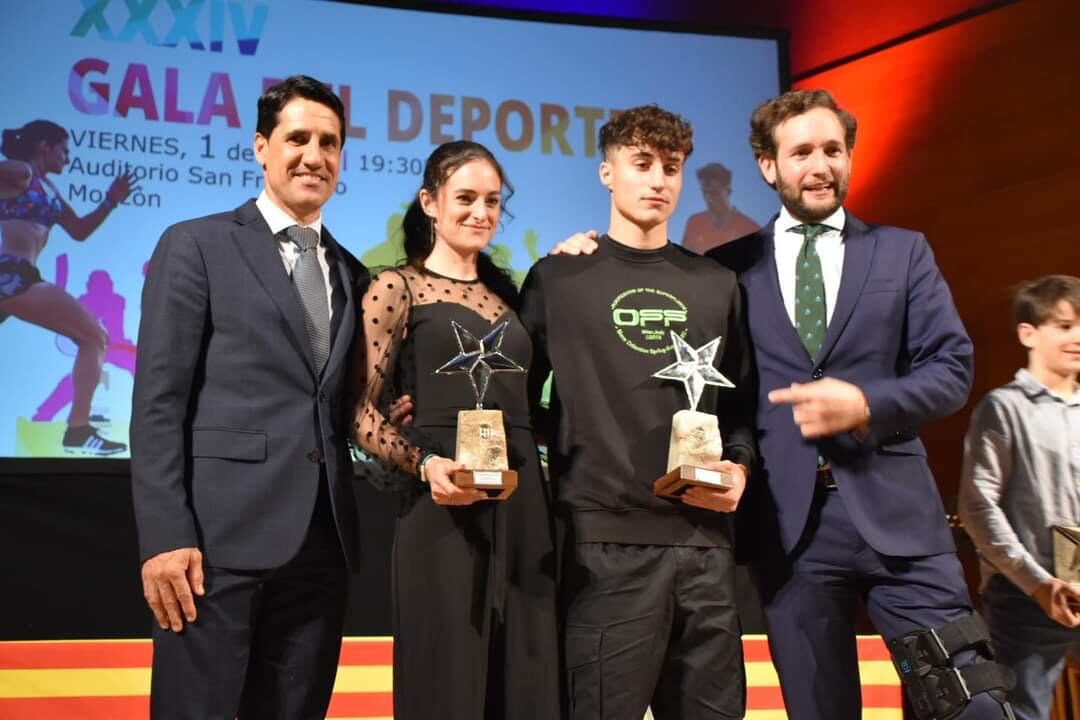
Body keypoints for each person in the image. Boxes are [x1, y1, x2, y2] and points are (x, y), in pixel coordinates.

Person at [703, 89, 1014, 719]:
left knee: (972, 705)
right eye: (801, 152)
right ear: (769, 166)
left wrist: (867, 403)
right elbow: (719, 395)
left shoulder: (903, 252)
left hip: (900, 522)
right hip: (790, 534)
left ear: (849, 157)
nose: (820, 165)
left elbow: (952, 369)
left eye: (833, 150)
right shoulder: (725, 270)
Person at [131, 75, 368, 719]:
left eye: (330, 142)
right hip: (212, 546)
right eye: (297, 138)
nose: (313, 156)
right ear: (262, 147)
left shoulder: (354, 272)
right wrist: (164, 536)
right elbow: (157, 402)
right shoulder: (197, 244)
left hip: (323, 544)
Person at [519, 105, 756, 720]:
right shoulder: (557, 279)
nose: (657, 180)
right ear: (607, 172)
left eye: (670, 167)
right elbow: (517, 405)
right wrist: (580, 442)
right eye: (642, 163)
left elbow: (742, 409)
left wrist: (739, 469)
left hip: (705, 548)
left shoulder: (717, 284)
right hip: (603, 549)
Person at [352, 140, 559, 720]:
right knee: (446, 678)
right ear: (429, 203)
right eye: (465, 198)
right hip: (439, 501)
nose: (481, 212)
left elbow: (529, 407)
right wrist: (423, 462)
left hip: (524, 506)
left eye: (492, 201)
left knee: (530, 673)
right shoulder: (397, 287)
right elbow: (360, 411)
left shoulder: (512, 298)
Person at [959, 274, 1080, 720]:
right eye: (1064, 326)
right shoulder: (1003, 407)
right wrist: (1037, 583)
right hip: (1026, 596)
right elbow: (977, 506)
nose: (1078, 337)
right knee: (1024, 712)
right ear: (1028, 333)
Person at [0, 119, 133, 454]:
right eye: (64, 150)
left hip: (16, 277)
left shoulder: (49, 190)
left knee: (94, 337)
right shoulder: (21, 172)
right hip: (9, 273)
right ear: (45, 146)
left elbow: (79, 230)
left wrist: (110, 201)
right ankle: (78, 430)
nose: (68, 158)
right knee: (95, 336)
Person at [681, 162, 759, 254]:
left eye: (714, 193)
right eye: (705, 193)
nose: (709, 199)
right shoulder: (694, 223)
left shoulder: (750, 229)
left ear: (728, 191)